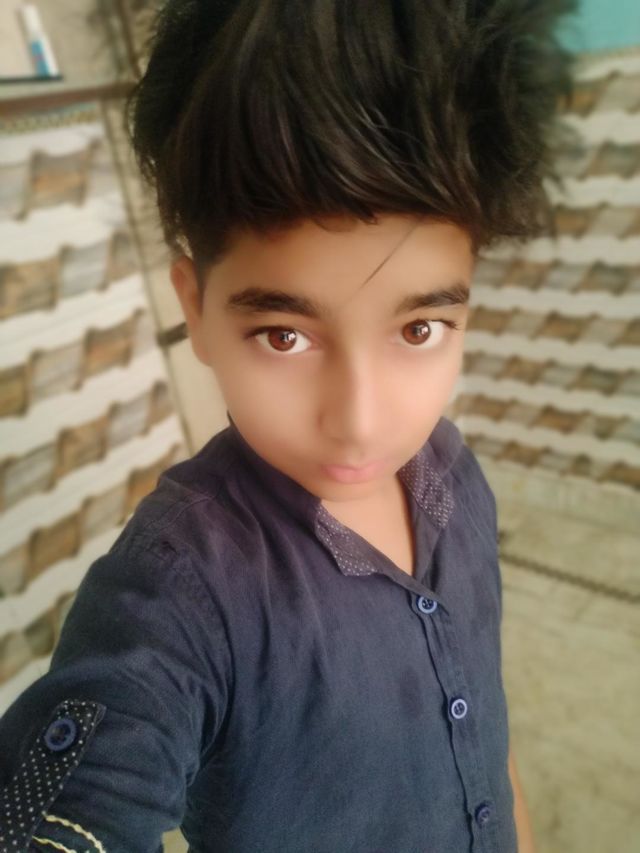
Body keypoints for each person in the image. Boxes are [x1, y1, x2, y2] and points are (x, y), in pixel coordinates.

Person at [0, 1, 576, 850]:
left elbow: (485, 723)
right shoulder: (180, 588)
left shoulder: (455, 475)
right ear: (195, 309)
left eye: (419, 328)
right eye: (284, 335)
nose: (360, 422)